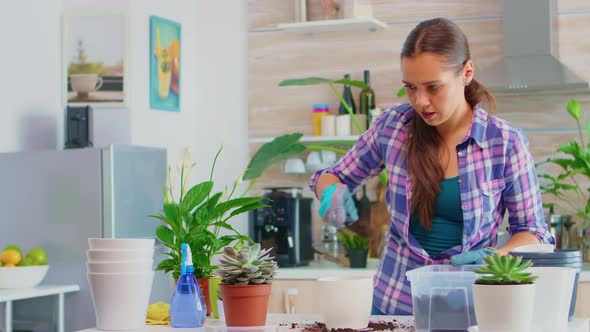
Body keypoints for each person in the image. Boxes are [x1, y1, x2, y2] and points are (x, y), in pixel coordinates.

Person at [309, 17, 554, 315]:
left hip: (469, 308)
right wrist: (331, 192)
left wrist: (495, 256)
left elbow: (533, 232)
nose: (420, 101)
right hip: (393, 307)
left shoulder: (505, 142)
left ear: (466, 73)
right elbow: (330, 176)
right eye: (410, 87)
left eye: (433, 87)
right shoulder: (394, 128)